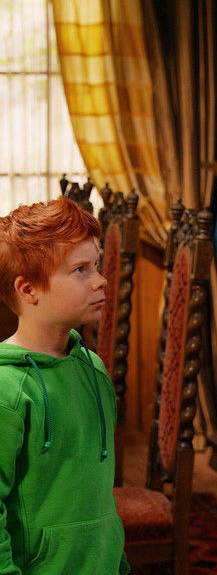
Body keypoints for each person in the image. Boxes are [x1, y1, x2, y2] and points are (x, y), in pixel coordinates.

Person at [0, 196, 129, 574]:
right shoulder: (7, 390)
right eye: (80, 270)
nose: (100, 280)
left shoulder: (93, 369)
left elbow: (100, 494)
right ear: (28, 290)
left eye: (96, 265)